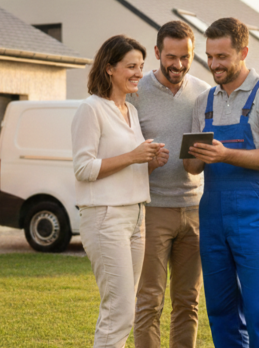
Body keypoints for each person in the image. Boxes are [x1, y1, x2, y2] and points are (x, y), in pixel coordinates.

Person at [183, 18, 259, 348]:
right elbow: (192, 167)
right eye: (209, 56)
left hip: (254, 212)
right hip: (213, 214)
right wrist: (194, 154)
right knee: (220, 310)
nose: (214, 64)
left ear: (243, 52)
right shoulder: (204, 102)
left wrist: (225, 154)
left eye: (222, 57)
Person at [72, 34, 169, 348]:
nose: (139, 73)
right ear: (109, 68)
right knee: (120, 310)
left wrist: (151, 163)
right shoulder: (91, 109)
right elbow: (83, 168)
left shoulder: (132, 112)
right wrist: (134, 156)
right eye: (131, 66)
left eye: (141, 66)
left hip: (137, 217)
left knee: (126, 308)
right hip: (105, 218)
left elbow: (130, 168)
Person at [127, 21, 210, 348]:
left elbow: (200, 159)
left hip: (194, 209)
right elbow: (122, 152)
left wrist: (200, 159)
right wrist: (146, 161)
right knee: (150, 299)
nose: (178, 65)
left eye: (185, 57)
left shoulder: (204, 93)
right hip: (152, 210)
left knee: (188, 301)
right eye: (171, 56)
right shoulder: (136, 92)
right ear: (158, 52)